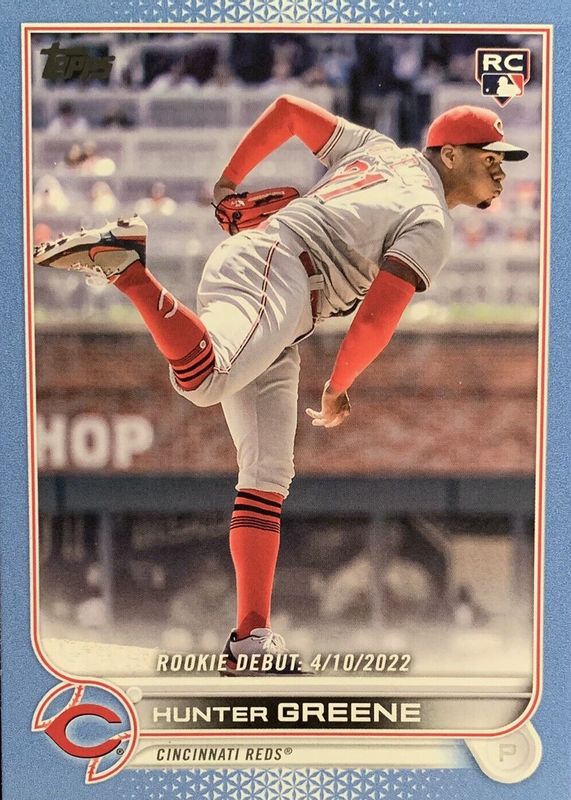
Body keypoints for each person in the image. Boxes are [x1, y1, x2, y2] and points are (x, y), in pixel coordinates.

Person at [34, 96, 528, 674]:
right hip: (279, 271)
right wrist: (338, 384)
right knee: (206, 381)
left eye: (502, 159)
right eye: (489, 156)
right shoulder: (429, 219)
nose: (500, 168)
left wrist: (227, 182)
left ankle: (251, 639)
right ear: (449, 154)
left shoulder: (377, 150)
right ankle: (130, 271)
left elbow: (290, 111)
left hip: (282, 289)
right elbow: (376, 318)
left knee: (267, 474)